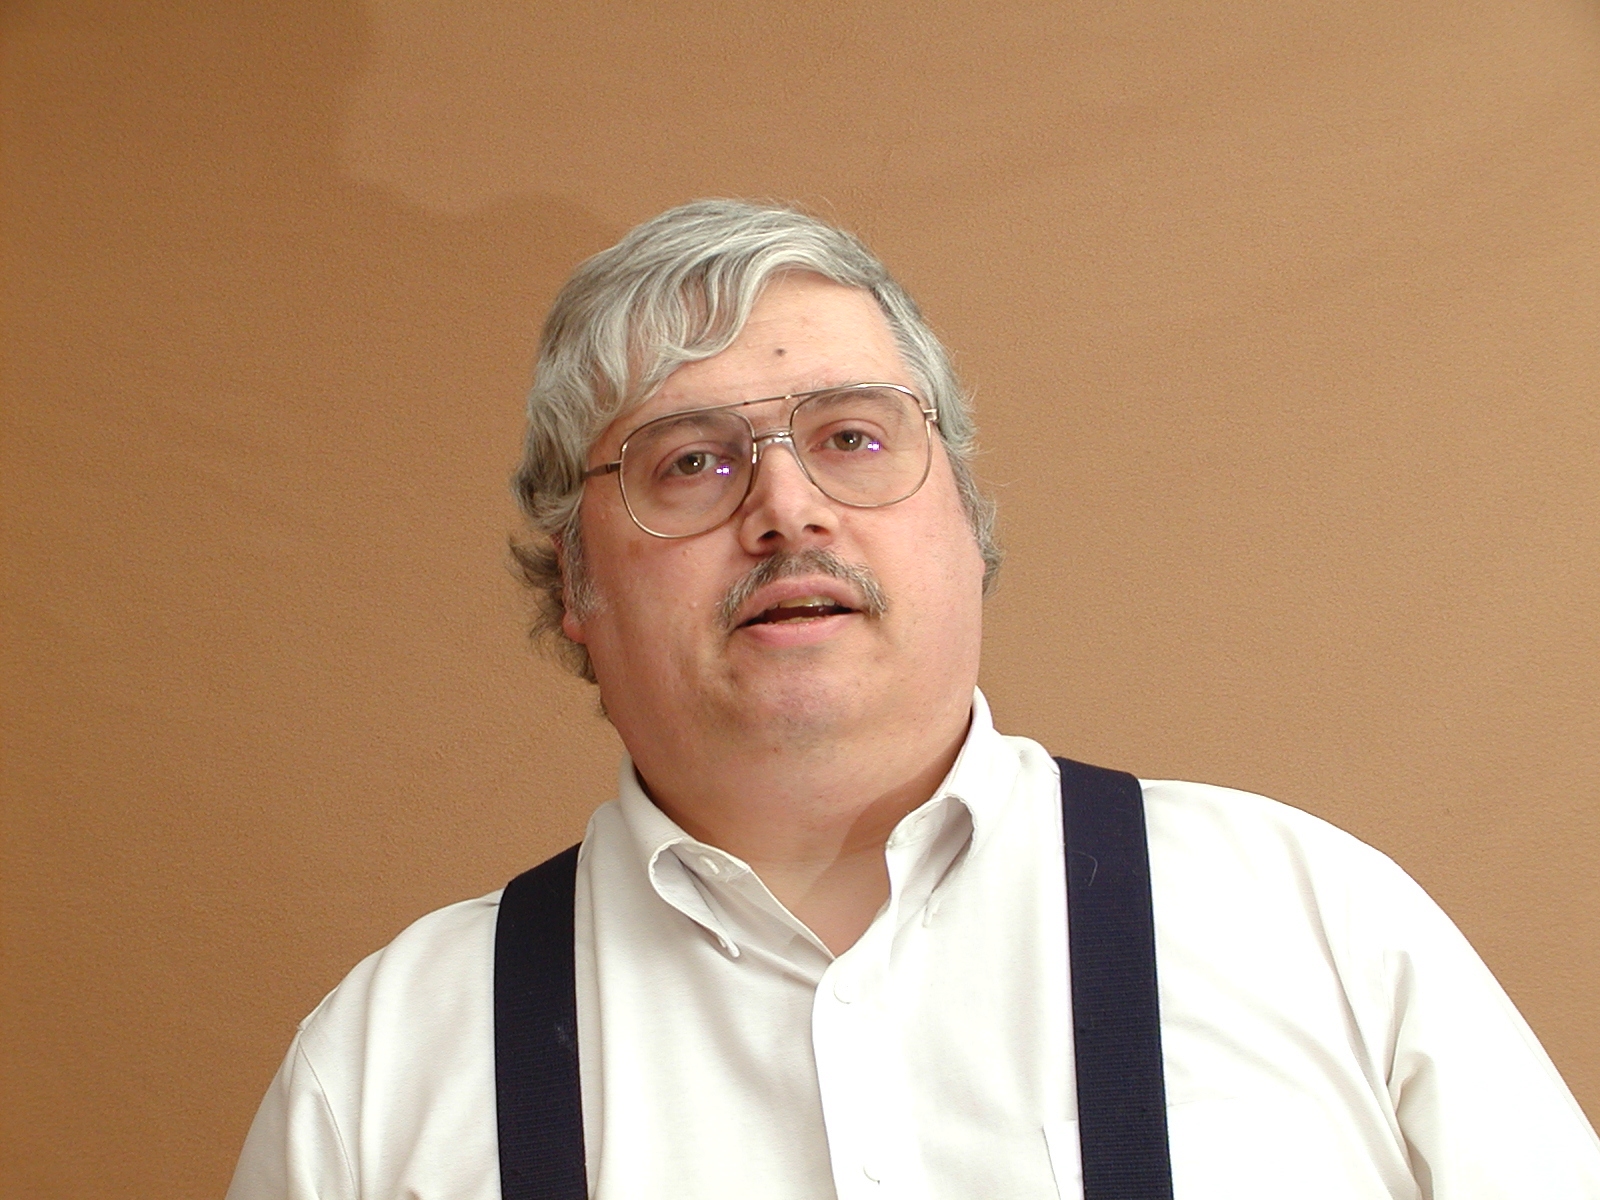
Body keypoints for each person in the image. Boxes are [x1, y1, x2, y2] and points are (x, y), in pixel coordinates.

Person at [226, 200, 1600, 1200]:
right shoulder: (382, 1074)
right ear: (575, 580)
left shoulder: (1312, 924)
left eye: (852, 436)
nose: (787, 507)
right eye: (690, 462)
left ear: (965, 525)